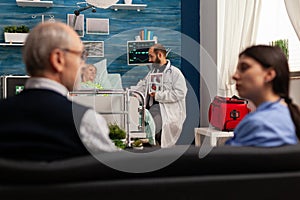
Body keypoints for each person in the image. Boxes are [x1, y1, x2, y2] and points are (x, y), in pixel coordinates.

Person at [0, 22, 117, 161]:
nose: (83, 65)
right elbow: (114, 174)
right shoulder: (85, 121)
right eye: (81, 56)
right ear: (58, 59)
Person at [226, 45, 300, 147]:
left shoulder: (260, 124)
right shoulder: (288, 114)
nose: (234, 76)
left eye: (244, 68)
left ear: (269, 74)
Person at [135, 43, 187, 148]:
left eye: (151, 56)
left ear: (159, 55)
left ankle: (157, 151)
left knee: (155, 127)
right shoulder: (152, 73)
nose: (149, 60)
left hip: (167, 111)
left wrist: (158, 95)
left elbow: (180, 93)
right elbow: (143, 86)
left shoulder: (175, 73)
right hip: (153, 109)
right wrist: (134, 94)